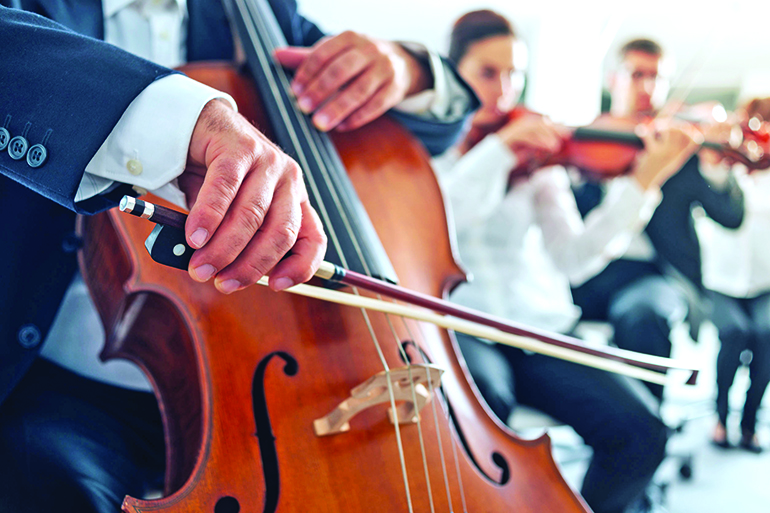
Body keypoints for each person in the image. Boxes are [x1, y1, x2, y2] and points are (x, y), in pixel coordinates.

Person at [0, 1, 477, 511]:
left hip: (271, 393)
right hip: (62, 378)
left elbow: (435, 127)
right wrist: (180, 123)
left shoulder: (262, 13)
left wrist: (408, 69)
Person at [434, 10, 699, 513]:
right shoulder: (429, 150)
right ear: (455, 72)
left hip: (542, 325)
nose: (505, 90)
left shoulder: (540, 158)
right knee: (486, 413)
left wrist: (642, 185)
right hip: (462, 324)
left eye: (514, 74)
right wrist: (497, 150)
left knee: (643, 433)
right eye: (489, 73)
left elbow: (573, 259)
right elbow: (442, 215)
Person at [570, 38, 745, 401]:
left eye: (657, 77)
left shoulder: (678, 145)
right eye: (637, 74)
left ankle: (647, 419)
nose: (647, 87)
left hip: (654, 272)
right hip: (587, 267)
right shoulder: (587, 140)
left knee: (642, 315)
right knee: (543, 309)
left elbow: (730, 216)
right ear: (612, 79)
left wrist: (714, 165)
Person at [700, 98, 770, 453]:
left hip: (764, 283)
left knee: (767, 336)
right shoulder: (727, 166)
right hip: (722, 281)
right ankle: (720, 416)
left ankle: (749, 423)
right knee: (734, 334)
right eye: (756, 123)